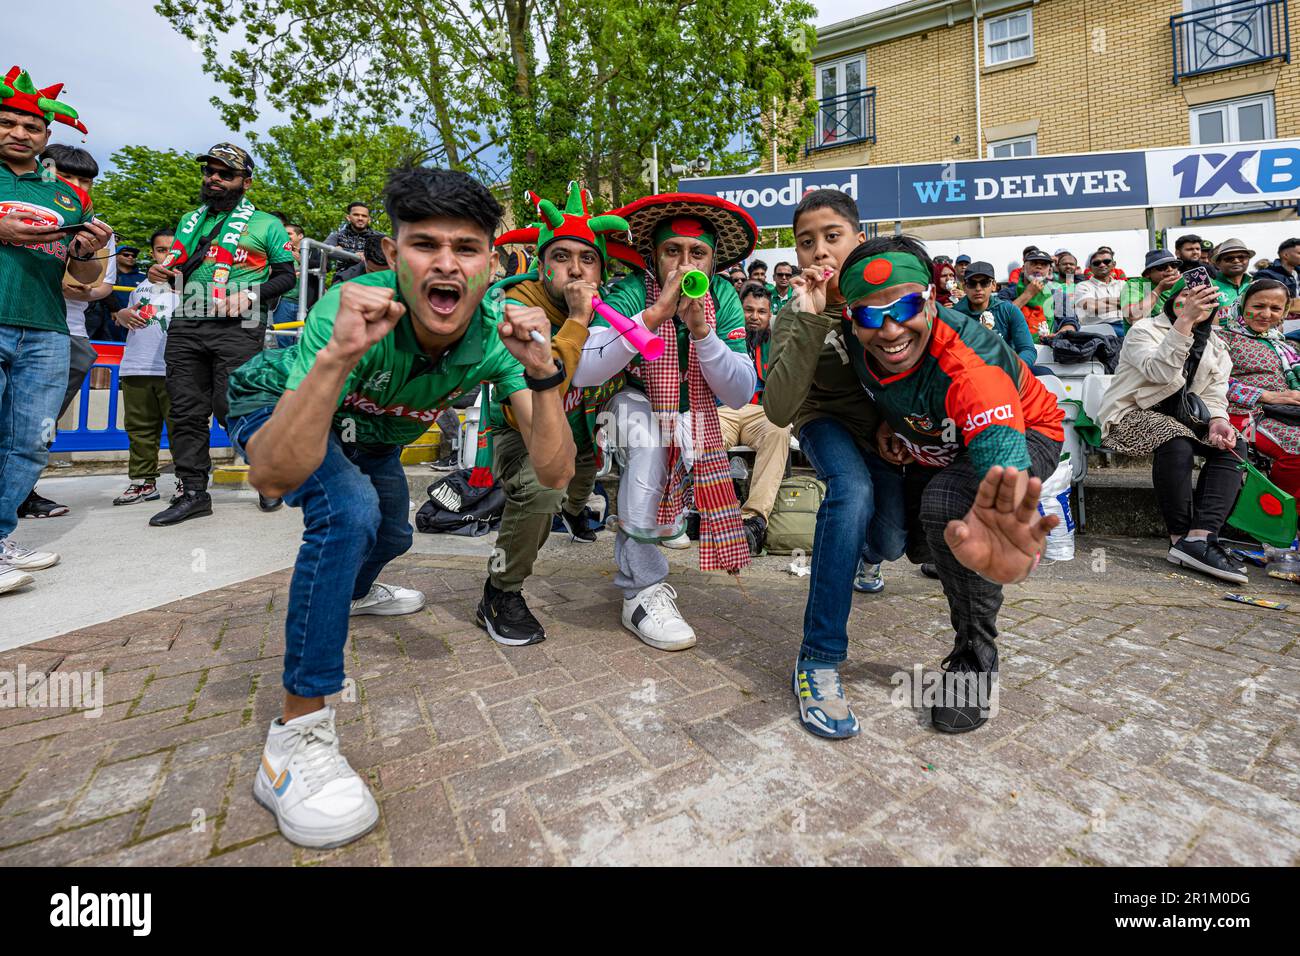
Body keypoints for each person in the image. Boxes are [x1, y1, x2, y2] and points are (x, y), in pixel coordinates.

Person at [225, 166, 575, 848]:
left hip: (377, 435)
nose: (445, 263)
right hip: (279, 411)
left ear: (491, 263)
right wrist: (337, 357)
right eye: (424, 244)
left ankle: (349, 592)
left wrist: (544, 372)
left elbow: (554, 470)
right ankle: (294, 740)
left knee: (391, 534)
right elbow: (270, 476)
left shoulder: (498, 336)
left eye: (466, 248)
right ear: (392, 253)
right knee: (347, 515)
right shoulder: (354, 308)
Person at [839, 236, 1064, 734]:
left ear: (933, 299)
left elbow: (998, 456)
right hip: (930, 444)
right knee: (918, 545)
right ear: (851, 318)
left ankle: (974, 661)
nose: (891, 329)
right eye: (871, 317)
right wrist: (886, 423)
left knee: (948, 509)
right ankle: (956, 565)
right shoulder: (851, 335)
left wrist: (1001, 521)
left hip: (1026, 433)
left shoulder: (970, 363)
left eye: (907, 307)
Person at [568, 192, 758, 652]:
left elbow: (738, 390)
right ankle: (641, 590)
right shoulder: (633, 289)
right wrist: (653, 316)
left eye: (698, 254)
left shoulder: (725, 296)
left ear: (713, 262)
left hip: (696, 411)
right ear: (655, 256)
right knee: (649, 444)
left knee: (683, 447)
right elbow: (584, 368)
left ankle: (662, 523)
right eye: (673, 251)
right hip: (629, 401)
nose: (684, 264)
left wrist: (701, 332)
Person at [762, 189, 908, 737]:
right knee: (851, 490)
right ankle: (819, 659)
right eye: (806, 242)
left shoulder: (891, 296)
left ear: (859, 241)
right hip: (822, 421)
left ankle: (865, 557)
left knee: (892, 540)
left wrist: (898, 420)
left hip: (885, 429)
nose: (819, 251)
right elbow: (778, 407)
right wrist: (809, 321)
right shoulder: (794, 313)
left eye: (832, 237)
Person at [478, 181, 640, 645]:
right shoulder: (517, 305)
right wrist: (577, 321)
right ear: (542, 263)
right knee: (543, 489)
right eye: (561, 257)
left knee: (580, 480)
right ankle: (499, 590)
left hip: (584, 429)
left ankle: (577, 512)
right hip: (522, 429)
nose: (574, 269)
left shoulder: (608, 305)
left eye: (587, 259)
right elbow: (548, 379)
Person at [0, 67, 114, 596]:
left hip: (45, 328)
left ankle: (1, 537)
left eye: (31, 127)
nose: (19, 133)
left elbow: (83, 276)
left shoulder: (70, 198)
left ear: (46, 137)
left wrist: (89, 251)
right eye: (8, 123)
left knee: (30, 440)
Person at [146, 143, 297, 525]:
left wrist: (249, 293)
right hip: (188, 320)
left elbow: (286, 276)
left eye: (224, 173)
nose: (213, 178)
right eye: (209, 171)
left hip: (240, 325)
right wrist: (162, 274)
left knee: (232, 407)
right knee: (184, 410)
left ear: (245, 182)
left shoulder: (266, 224)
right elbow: (180, 269)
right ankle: (193, 492)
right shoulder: (190, 220)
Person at [1098, 278, 1248, 584]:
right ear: (1171, 302)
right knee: (1175, 438)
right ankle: (1179, 538)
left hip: (1186, 417)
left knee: (1234, 445)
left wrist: (1219, 421)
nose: (1192, 304)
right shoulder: (1144, 330)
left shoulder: (1217, 346)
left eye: (1201, 300)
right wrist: (1185, 323)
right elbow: (1160, 372)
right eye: (1185, 298)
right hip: (1131, 414)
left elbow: (1214, 395)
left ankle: (1201, 537)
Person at [18, 144, 116, 520]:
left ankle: (23, 491)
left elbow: (97, 285)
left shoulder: (96, 230)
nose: (76, 185)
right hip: (17, 322)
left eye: (85, 180)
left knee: (39, 425)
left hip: (69, 334)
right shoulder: (20, 209)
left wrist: (81, 273)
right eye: (66, 176)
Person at [716, 282, 792, 554]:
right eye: (748, 309)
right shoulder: (721, 333)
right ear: (738, 308)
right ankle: (720, 513)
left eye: (762, 311)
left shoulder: (778, 340)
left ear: (770, 314)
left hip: (761, 412)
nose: (754, 316)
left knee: (779, 430)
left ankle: (753, 520)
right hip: (721, 409)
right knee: (702, 434)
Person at [112, 232, 179, 505]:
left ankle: (186, 480)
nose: (166, 255)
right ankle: (143, 482)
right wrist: (121, 314)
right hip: (136, 365)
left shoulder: (192, 285)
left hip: (173, 368)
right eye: (160, 250)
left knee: (181, 428)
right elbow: (129, 316)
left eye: (171, 250)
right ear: (152, 253)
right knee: (139, 429)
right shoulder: (139, 286)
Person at [1222, 279, 1300, 500]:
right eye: (1258, 306)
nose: (1266, 314)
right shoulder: (1221, 338)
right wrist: (1266, 395)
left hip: (1287, 412)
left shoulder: (1284, 345)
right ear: (1242, 304)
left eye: (1275, 308)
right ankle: (1279, 512)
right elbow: (1210, 382)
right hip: (1246, 413)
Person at [951, 260, 1039, 369]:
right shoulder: (954, 316)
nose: (978, 288)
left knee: (1046, 373)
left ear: (993, 285)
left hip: (1008, 370)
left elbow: (1027, 349)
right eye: (972, 283)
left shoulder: (1009, 310)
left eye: (984, 282)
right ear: (964, 287)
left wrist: (1015, 370)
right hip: (970, 374)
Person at [1001, 246, 1073, 341]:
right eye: (1034, 263)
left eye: (1044, 265)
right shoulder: (1007, 293)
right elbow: (1001, 318)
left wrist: (1060, 334)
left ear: (1048, 271)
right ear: (1022, 268)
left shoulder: (1057, 295)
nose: (1039, 267)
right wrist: (1028, 294)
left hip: (1048, 348)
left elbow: (1070, 321)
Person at [1252, 238, 1300, 342]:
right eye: (1299, 253)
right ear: (1285, 255)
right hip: (1281, 330)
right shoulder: (1266, 275)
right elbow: (1266, 304)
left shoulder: (1297, 273)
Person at [1122, 249, 1182, 329]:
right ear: (1147, 274)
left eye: (1174, 265)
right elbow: (1133, 316)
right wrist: (1159, 289)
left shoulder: (1180, 284)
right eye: (1162, 267)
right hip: (1142, 337)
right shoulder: (1136, 284)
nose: (1170, 269)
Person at [1075, 248, 1126, 334]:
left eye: (1106, 261)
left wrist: (1104, 300)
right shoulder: (1083, 286)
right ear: (1090, 268)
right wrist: (1124, 304)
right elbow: (1092, 308)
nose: (1102, 265)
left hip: (1126, 325)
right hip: (1099, 329)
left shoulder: (1122, 284)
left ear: (1113, 264)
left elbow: (1136, 305)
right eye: (1096, 263)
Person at [1209, 238, 1254, 325]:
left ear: (1248, 260)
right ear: (1218, 263)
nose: (1236, 261)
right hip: (1219, 337)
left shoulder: (1255, 287)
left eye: (1241, 257)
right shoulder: (1209, 287)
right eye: (1229, 258)